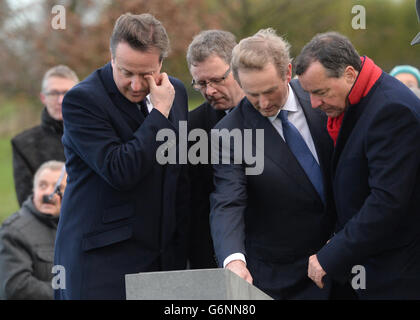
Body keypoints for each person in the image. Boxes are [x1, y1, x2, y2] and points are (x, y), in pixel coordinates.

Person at [54, 13, 190, 299]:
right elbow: (120, 170)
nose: (137, 85)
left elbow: (176, 170)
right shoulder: (82, 101)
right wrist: (159, 114)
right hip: (101, 266)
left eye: (146, 74)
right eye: (127, 72)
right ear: (112, 57)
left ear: (161, 63)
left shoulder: (175, 92)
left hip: (162, 262)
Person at [209, 28, 335, 299]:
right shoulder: (228, 134)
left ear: (288, 72)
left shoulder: (320, 96)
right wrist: (233, 260)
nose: (263, 103)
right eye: (252, 94)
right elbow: (228, 201)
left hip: (345, 260)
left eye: (269, 91)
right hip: (284, 278)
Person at [295, 31, 420, 299]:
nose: (314, 104)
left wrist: (333, 253)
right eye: (309, 94)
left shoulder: (391, 110)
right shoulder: (359, 100)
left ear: (350, 74)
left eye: (321, 92)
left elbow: (386, 202)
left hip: (395, 275)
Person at [186, 30, 245, 269]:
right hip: (221, 261)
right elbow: (194, 208)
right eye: (201, 83)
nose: (209, 91)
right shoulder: (191, 129)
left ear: (239, 68)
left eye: (218, 80)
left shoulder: (273, 111)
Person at [11, 65, 78, 206]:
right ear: (43, 97)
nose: (60, 100)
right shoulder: (23, 144)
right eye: (54, 93)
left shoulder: (96, 135)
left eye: (66, 93)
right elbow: (27, 202)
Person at [0, 161, 67, 300]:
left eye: (58, 187)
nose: (49, 193)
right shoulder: (13, 231)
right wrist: (67, 293)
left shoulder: (79, 229)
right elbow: (16, 288)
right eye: (43, 186)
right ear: (34, 189)